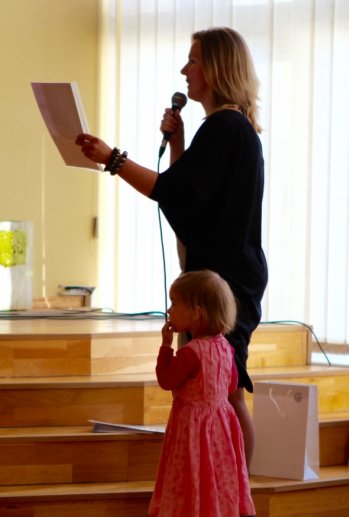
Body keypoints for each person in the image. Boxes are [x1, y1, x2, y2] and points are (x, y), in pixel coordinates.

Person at [76, 26, 268, 471]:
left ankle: (237, 494)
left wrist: (112, 159)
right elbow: (188, 198)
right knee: (216, 385)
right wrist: (178, 145)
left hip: (225, 280)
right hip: (221, 274)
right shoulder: (226, 127)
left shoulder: (225, 127)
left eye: (194, 60)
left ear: (215, 69)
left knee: (226, 388)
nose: (185, 70)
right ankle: (223, 494)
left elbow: (172, 192)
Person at [149, 270, 255, 517]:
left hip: (195, 433)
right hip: (220, 428)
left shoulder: (191, 353)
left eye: (175, 303)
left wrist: (165, 346)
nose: (169, 310)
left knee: (199, 491)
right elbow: (230, 383)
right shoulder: (226, 348)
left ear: (196, 313)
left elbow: (166, 380)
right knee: (213, 490)